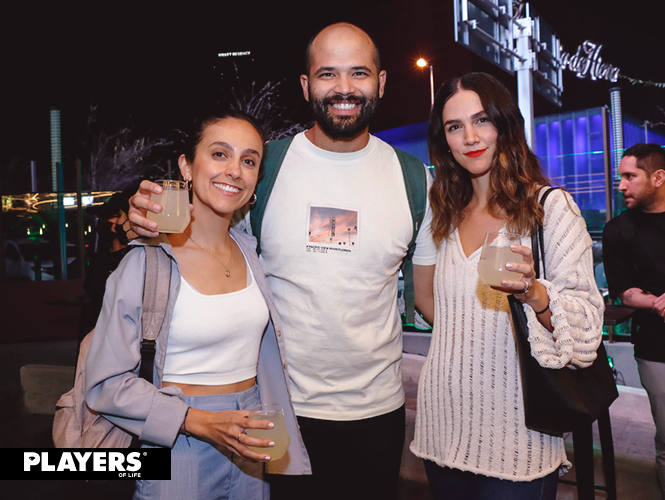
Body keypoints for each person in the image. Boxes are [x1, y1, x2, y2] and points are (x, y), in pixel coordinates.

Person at [127, 22, 437, 500]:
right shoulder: (260, 168)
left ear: (381, 82)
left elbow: (435, 295)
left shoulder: (414, 179)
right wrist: (145, 217)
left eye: (359, 73)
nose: (344, 88)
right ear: (306, 85)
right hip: (278, 408)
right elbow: (198, 231)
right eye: (327, 74)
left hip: (378, 414)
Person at [84, 108, 310, 500]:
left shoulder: (251, 251)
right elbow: (105, 384)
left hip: (250, 434)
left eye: (249, 160)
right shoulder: (146, 262)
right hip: (176, 443)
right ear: (186, 167)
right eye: (220, 154)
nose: (235, 170)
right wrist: (197, 421)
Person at [410, 72, 605, 500]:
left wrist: (535, 293)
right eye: (454, 127)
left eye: (482, 120)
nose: (470, 137)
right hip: (442, 424)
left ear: (505, 124)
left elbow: (588, 329)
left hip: (518, 434)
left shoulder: (549, 209)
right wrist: (470, 343)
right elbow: (427, 301)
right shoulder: (444, 213)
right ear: (444, 140)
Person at [602, 143, 665, 498]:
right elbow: (625, 292)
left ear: (658, 178)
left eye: (630, 177)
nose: (621, 185)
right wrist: (657, 303)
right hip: (656, 348)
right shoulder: (617, 230)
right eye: (620, 177)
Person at [81, 185, 138, 335]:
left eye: (116, 216)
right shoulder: (98, 260)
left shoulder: (139, 258)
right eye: (105, 218)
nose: (111, 224)